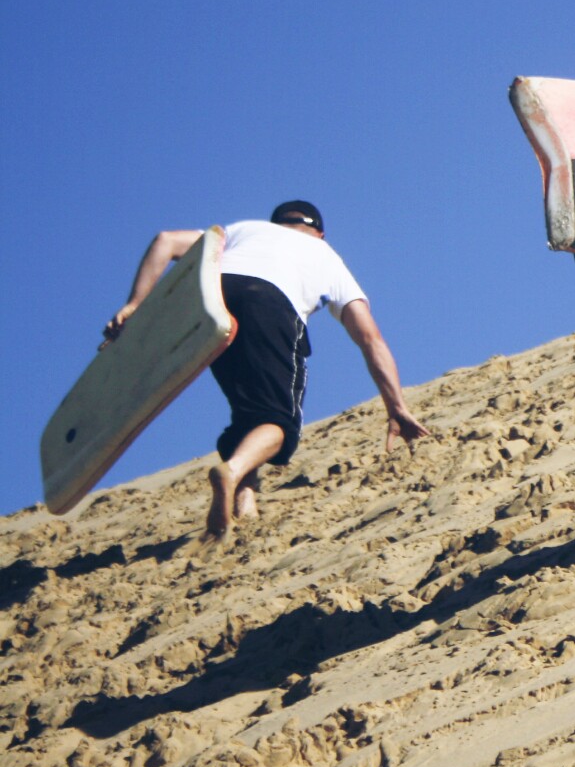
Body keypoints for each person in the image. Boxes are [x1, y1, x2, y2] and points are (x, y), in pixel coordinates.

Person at [104, 200, 433, 537]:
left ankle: (245, 504)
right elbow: (370, 337)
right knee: (280, 421)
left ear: (276, 223)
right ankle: (233, 471)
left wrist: (134, 304)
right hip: (270, 303)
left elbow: (166, 240)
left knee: (249, 413)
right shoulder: (325, 255)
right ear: (320, 233)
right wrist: (396, 407)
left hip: (213, 306)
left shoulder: (245, 230)